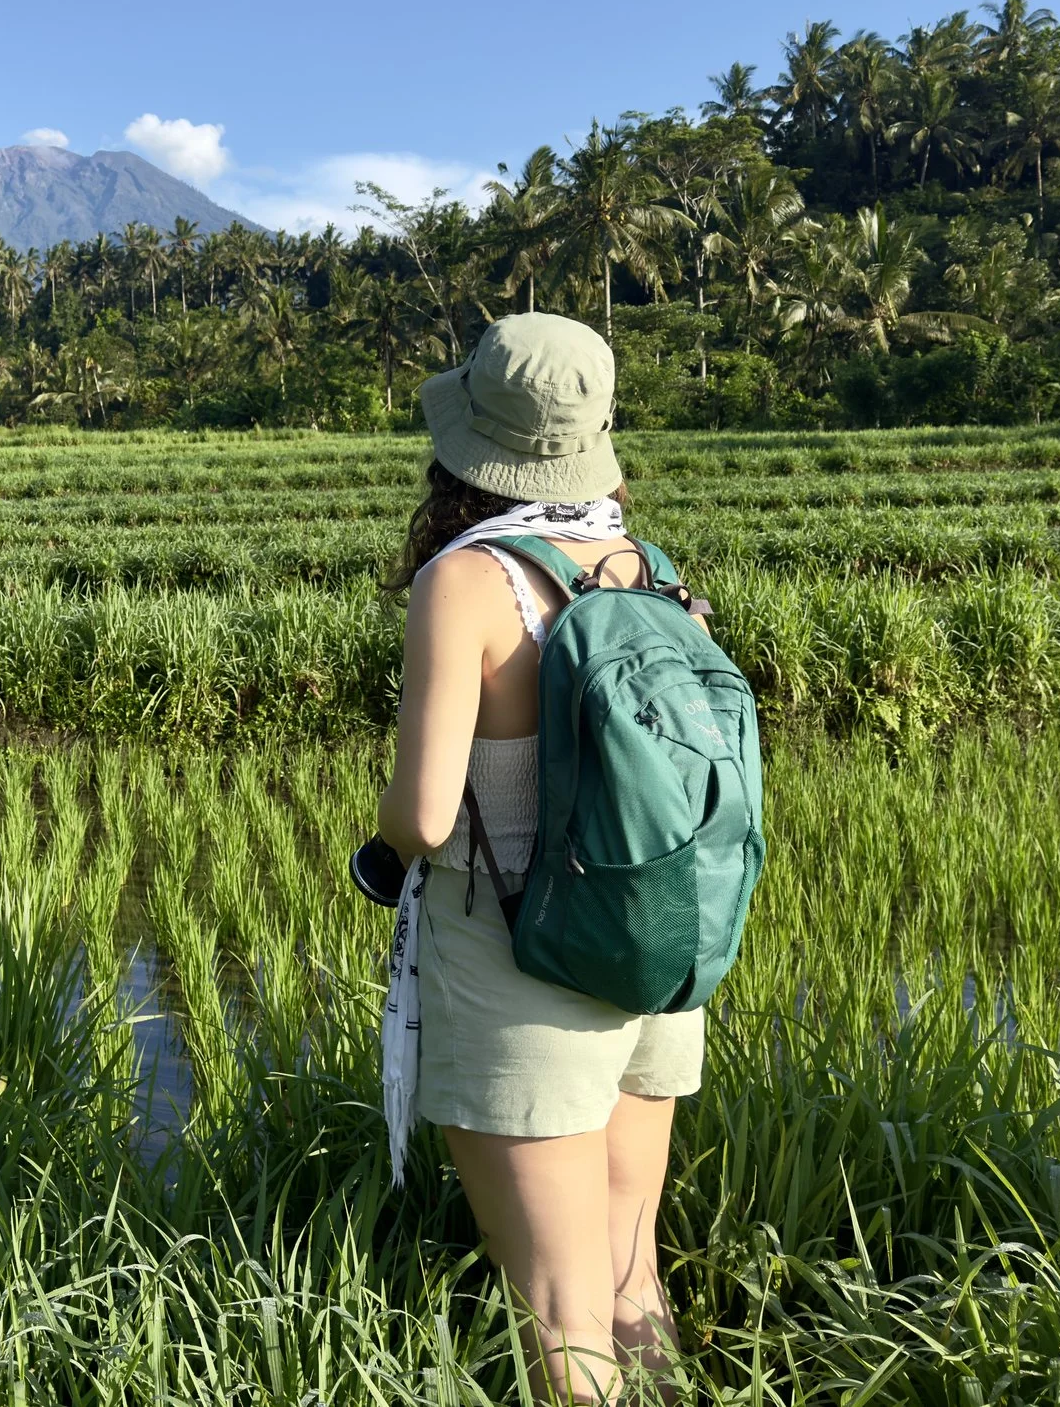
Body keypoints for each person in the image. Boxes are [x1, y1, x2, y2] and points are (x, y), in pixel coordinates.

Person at [374, 312, 698, 1400]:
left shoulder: (468, 582)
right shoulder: (643, 562)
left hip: (518, 959)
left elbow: (423, 817)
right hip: (649, 945)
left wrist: (376, 858)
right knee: (627, 1282)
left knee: (559, 1321)